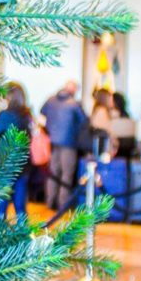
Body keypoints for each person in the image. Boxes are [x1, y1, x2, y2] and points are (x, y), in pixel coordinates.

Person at [40, 80, 87, 211]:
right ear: (74, 90)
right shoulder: (74, 104)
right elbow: (84, 120)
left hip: (52, 142)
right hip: (69, 142)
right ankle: (63, 204)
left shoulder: (50, 100)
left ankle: (50, 202)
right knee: (67, 174)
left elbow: (42, 111)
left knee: (53, 173)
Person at [0, 82, 32, 218]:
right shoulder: (27, 115)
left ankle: (0, 232)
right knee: (20, 204)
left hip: (6, 162)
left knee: (2, 202)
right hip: (23, 163)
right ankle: (23, 232)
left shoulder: (5, 115)